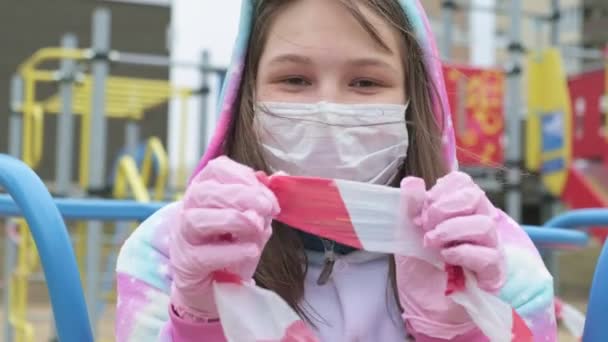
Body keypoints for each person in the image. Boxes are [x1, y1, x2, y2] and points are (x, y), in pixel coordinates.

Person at [115, 0, 557, 341]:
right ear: (247, 97)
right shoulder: (165, 253)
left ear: (414, 104)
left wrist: (462, 328)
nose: (329, 108)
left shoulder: (495, 259)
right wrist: (200, 319)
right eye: (294, 80)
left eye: (366, 82)